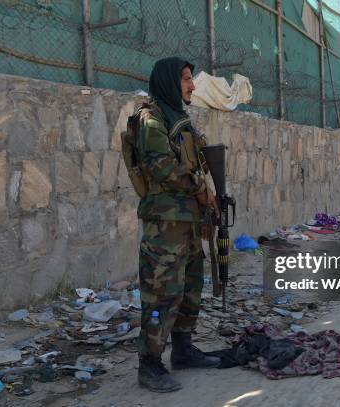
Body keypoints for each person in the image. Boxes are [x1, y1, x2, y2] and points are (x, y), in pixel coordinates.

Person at [135, 57, 220, 393]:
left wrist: (207, 204)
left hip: (187, 221)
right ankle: (150, 364)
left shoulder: (180, 119)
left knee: (189, 287)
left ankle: (183, 350)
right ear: (170, 81)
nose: (192, 85)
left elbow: (195, 166)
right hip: (165, 224)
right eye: (186, 79)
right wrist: (201, 190)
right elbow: (162, 168)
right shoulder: (151, 118)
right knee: (160, 295)